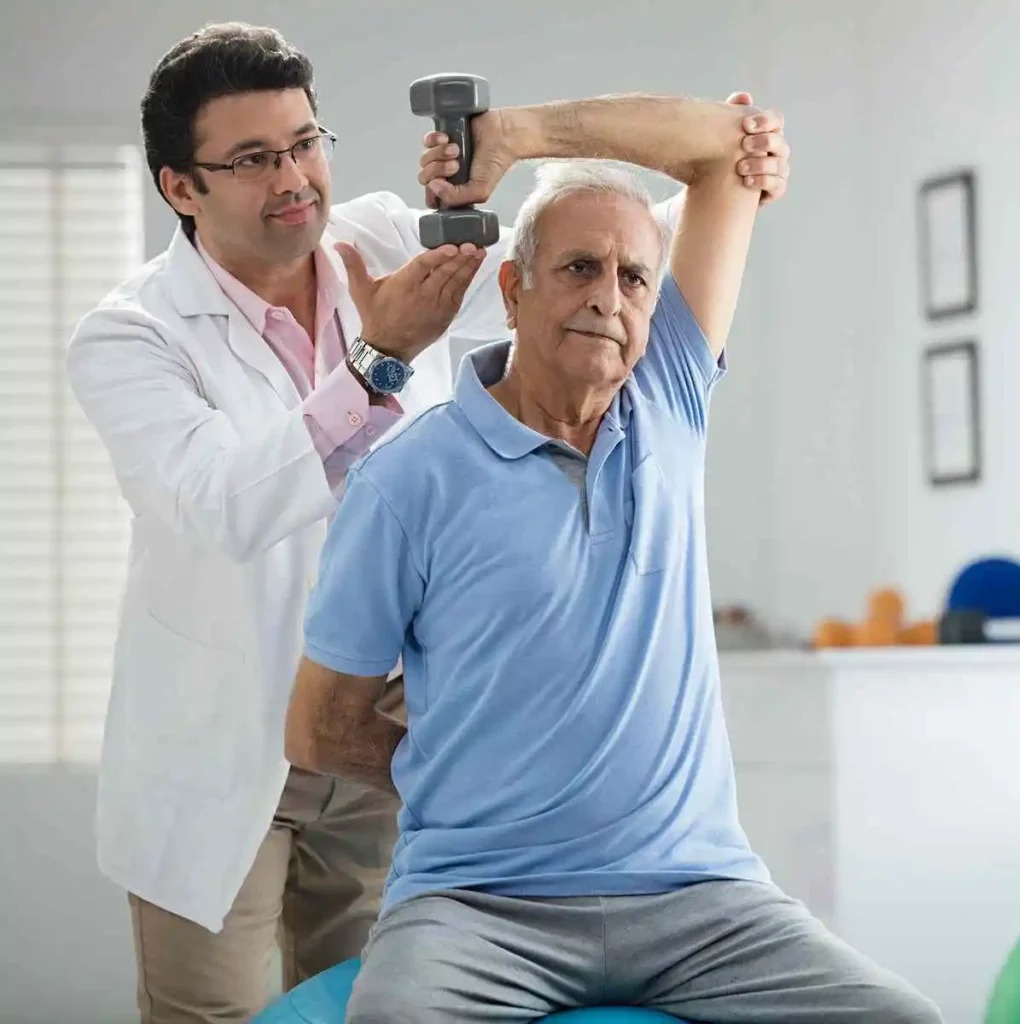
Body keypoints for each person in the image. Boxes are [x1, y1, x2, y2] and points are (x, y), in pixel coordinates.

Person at [65, 20, 790, 1024]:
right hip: (224, 751)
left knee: (360, 999)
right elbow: (223, 505)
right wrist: (376, 364)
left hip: (386, 744)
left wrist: (732, 163)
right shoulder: (127, 335)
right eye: (253, 159)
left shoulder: (382, 237)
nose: (295, 178)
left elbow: (604, 249)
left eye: (306, 142)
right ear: (179, 186)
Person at [287, 102, 942, 1022]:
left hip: (700, 903)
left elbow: (724, 153)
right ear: (512, 291)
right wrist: (474, 776)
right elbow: (319, 727)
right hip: (478, 909)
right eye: (580, 268)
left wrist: (510, 136)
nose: (610, 297)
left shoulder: (668, 395)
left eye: (636, 277)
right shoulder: (406, 480)